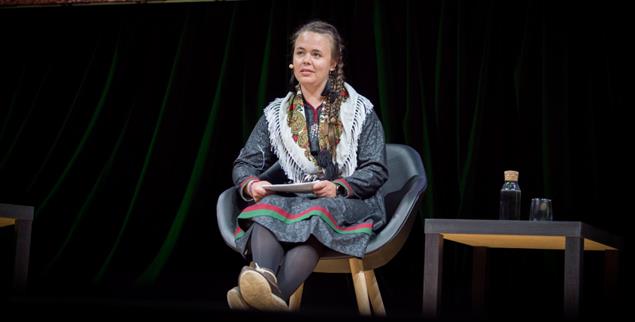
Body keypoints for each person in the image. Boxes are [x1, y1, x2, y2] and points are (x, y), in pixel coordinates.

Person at [227, 20, 388, 311]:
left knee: (317, 213)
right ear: (292, 61)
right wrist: (251, 183)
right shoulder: (276, 114)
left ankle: (256, 302)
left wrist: (338, 187)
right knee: (264, 210)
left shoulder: (360, 111)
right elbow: (245, 162)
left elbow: (376, 169)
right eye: (301, 53)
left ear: (333, 63)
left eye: (316, 54)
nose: (306, 61)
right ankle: (269, 294)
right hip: (302, 202)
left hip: (351, 200)